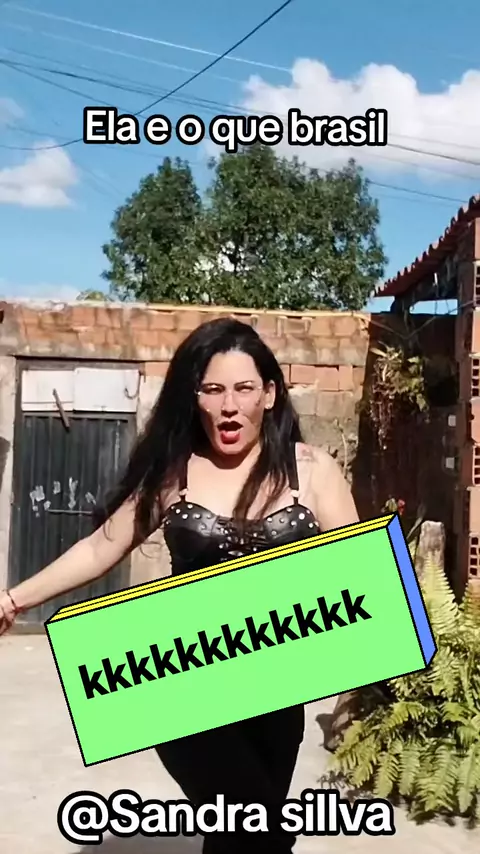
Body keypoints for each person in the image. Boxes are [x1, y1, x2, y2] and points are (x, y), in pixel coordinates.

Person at [0, 317, 359, 853]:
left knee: (238, 838)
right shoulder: (173, 475)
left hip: (278, 693)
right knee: (257, 834)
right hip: (186, 689)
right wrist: (13, 600)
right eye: (213, 390)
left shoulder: (313, 472)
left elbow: (358, 574)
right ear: (195, 398)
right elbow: (100, 548)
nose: (229, 405)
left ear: (269, 394)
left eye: (243, 388)